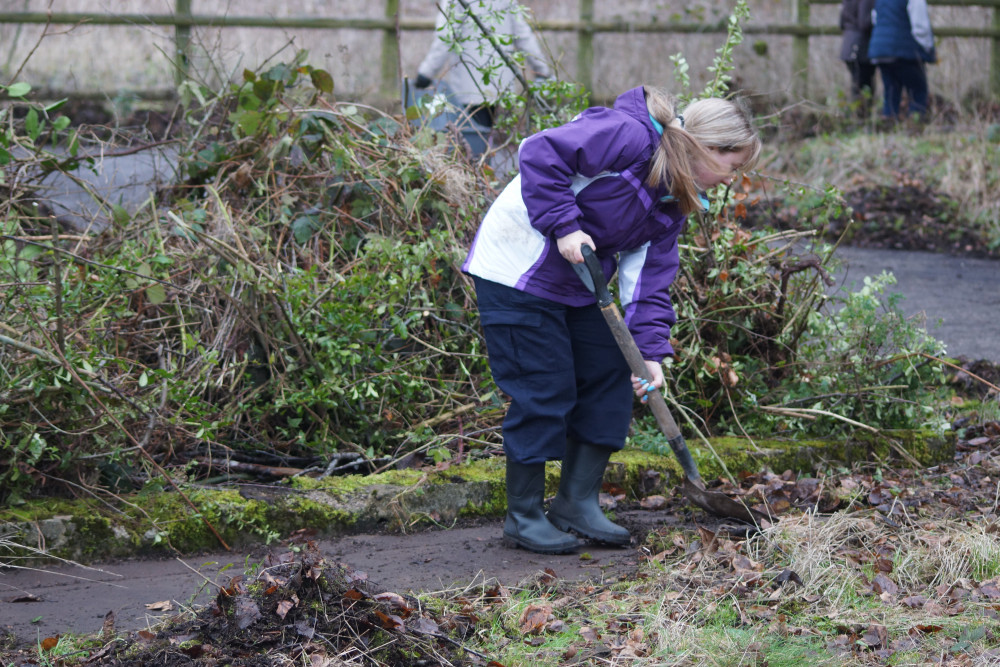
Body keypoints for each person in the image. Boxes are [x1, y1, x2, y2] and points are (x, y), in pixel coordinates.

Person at [462, 86, 762, 554]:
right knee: (544, 387)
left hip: (579, 282)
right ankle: (523, 516)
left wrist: (651, 353)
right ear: (707, 147)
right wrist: (563, 224)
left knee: (611, 371)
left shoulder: (673, 201)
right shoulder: (629, 137)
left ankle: (576, 502)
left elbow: (648, 280)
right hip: (517, 268)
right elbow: (539, 153)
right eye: (733, 165)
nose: (733, 178)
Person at [414, 0, 552, 130]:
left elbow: (445, 36)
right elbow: (523, 34)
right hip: (500, 83)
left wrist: (426, 73)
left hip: (469, 85)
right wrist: (542, 69)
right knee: (491, 137)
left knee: (474, 138)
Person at [867, 0, 936, 119]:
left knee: (891, 90)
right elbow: (920, 27)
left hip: (881, 49)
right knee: (918, 90)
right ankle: (915, 122)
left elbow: (875, 19)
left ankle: (888, 122)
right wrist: (928, 47)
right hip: (906, 51)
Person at [839, 0, 877, 108]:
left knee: (856, 84)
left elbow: (841, 23)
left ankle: (858, 115)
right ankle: (863, 116)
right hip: (861, 47)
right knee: (865, 86)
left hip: (848, 46)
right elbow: (864, 23)